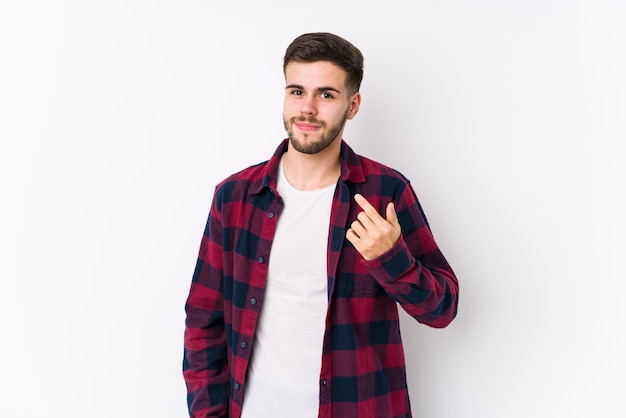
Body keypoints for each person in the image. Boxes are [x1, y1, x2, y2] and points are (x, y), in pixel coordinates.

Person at [183, 32, 459, 418]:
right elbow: (202, 320)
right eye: (297, 91)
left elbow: (442, 308)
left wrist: (392, 260)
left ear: (353, 104)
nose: (308, 108)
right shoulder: (234, 197)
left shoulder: (385, 194)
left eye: (326, 95)